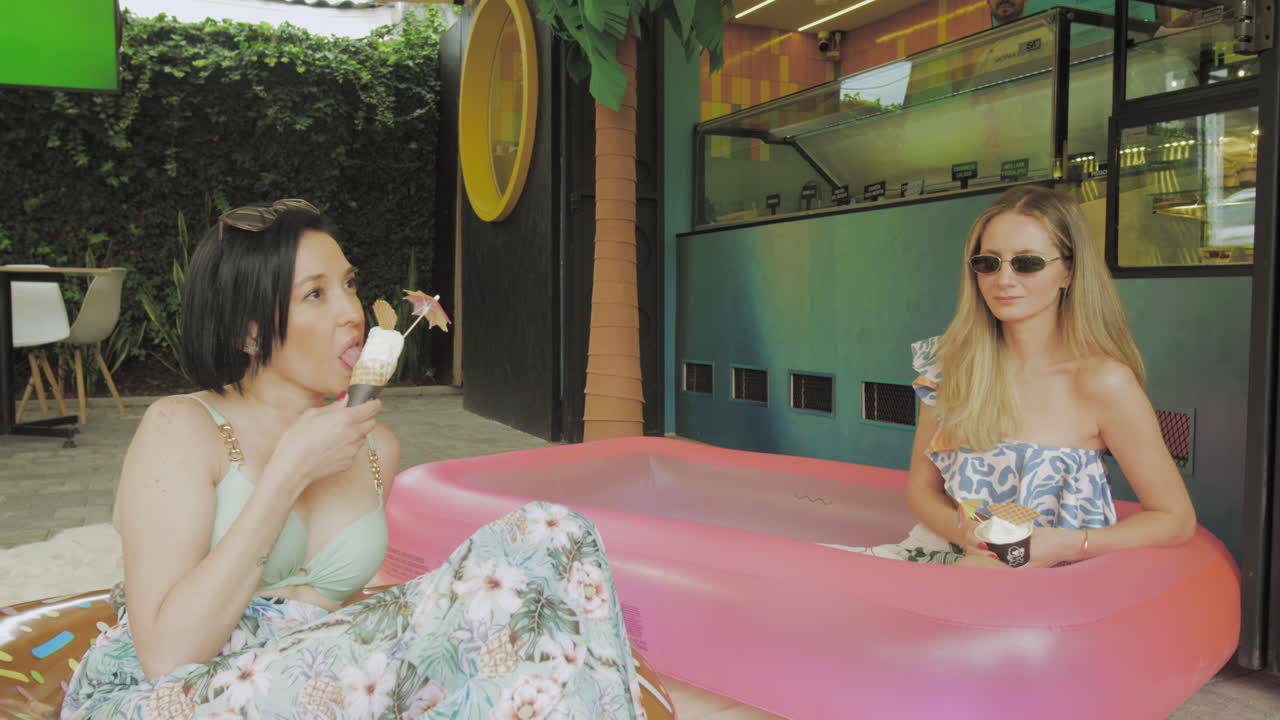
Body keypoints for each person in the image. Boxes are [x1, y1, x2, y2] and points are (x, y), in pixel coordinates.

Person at [62, 200, 646, 718]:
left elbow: (340, 619)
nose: (352, 312)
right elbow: (165, 653)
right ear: (249, 333)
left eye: (348, 284)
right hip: (181, 695)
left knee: (556, 537)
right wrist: (289, 471)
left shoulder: (375, 449)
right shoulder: (182, 427)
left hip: (326, 684)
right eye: (316, 294)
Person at [833, 185, 1197, 567]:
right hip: (946, 560)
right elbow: (922, 492)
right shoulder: (951, 366)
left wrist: (1068, 545)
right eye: (988, 263)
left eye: (1027, 263)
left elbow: (1175, 519)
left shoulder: (1103, 382)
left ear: (1068, 272)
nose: (1004, 279)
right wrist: (972, 537)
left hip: (1051, 583)